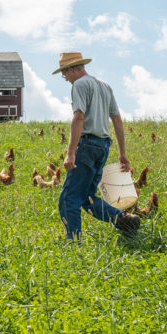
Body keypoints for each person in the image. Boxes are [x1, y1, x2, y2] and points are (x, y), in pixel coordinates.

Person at [52, 52, 140, 242]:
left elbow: (79, 117)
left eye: (64, 73)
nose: (65, 78)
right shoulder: (104, 85)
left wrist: (70, 152)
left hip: (86, 144)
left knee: (69, 197)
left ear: (72, 69)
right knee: (87, 198)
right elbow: (116, 119)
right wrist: (123, 153)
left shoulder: (80, 84)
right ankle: (124, 219)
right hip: (103, 146)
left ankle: (73, 242)